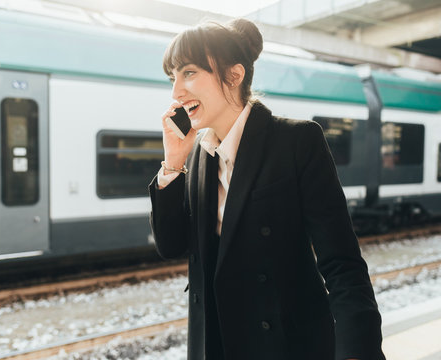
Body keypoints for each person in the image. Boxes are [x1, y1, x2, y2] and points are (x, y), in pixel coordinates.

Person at [149, 18, 385, 360]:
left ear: (234, 74)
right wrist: (173, 165)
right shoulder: (200, 155)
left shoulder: (296, 141)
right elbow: (170, 246)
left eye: (189, 73)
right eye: (173, 77)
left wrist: (357, 351)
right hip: (214, 345)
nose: (176, 92)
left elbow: (341, 262)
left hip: (285, 346)